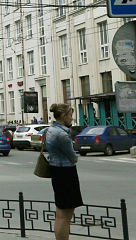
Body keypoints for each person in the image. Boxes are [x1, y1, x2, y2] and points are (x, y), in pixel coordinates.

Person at [45, 103, 83, 240]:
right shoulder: (62, 135)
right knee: (65, 216)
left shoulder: (50, 130)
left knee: (60, 214)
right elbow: (73, 158)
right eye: (70, 115)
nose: (72, 118)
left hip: (57, 171)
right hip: (66, 173)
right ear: (63, 115)